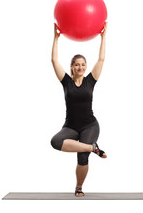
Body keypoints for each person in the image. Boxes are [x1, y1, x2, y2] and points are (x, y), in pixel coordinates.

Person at [50, 23, 108, 197]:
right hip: (70, 127)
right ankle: (93, 148)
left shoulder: (91, 80)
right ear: (71, 67)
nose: (81, 67)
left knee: (82, 157)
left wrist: (103, 37)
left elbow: (101, 59)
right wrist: (56, 38)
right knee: (55, 142)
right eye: (77, 65)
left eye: (83, 64)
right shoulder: (66, 81)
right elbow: (54, 61)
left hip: (90, 125)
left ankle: (79, 187)